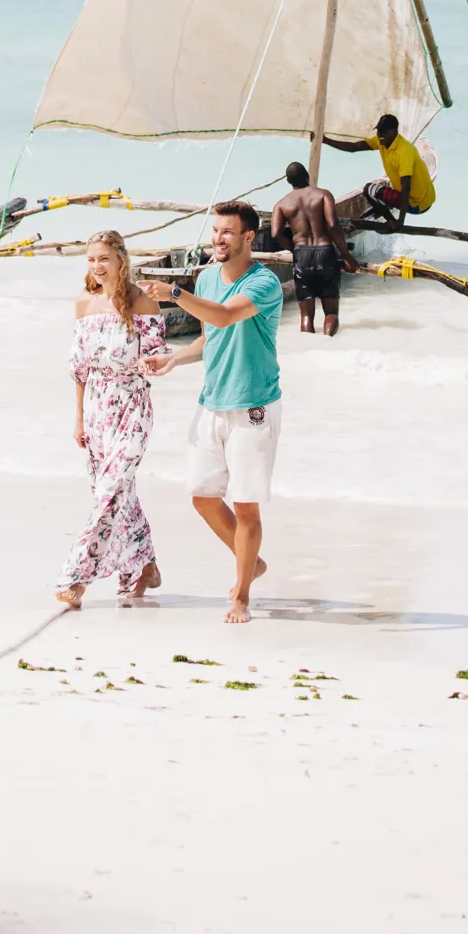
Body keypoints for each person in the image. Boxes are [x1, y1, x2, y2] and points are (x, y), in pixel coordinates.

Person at [141, 201, 282, 626]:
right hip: (211, 402)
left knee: (246, 508)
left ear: (248, 238)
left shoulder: (265, 283)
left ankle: (241, 596)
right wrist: (175, 359)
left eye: (226, 232)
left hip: (254, 405)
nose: (217, 239)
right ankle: (250, 561)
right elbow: (210, 336)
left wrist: (174, 295)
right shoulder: (204, 277)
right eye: (214, 231)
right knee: (203, 496)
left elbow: (226, 314)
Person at [54, 230, 165, 610]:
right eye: (90, 260)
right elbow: (79, 370)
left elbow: (157, 357)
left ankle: (76, 577)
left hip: (132, 406)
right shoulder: (84, 304)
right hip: (98, 409)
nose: (97, 266)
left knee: (109, 492)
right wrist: (79, 419)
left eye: (103, 258)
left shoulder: (143, 303)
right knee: (121, 494)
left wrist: (157, 362)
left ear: (121, 259)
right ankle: (144, 566)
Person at [271, 161, 352, 335]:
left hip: (301, 255)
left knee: (306, 317)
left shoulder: (281, 204)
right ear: (307, 175)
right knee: (331, 313)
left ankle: (309, 351)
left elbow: (275, 234)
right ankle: (328, 346)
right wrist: (346, 256)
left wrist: (294, 250)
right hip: (325, 252)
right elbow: (332, 225)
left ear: (288, 181)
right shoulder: (323, 195)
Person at [323, 113, 436, 228]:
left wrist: (400, 221)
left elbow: (406, 187)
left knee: (369, 190)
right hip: (420, 198)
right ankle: (383, 208)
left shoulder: (405, 151)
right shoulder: (381, 141)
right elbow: (354, 147)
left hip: (417, 203)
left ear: (394, 131)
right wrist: (325, 140)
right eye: (379, 131)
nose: (380, 135)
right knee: (377, 192)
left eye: (384, 132)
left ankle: (391, 222)